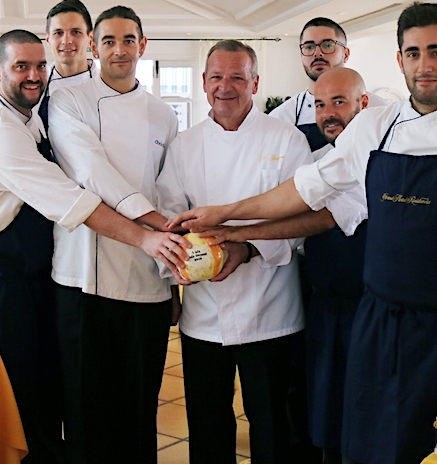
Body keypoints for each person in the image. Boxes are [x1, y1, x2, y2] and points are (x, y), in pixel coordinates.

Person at [168, 4, 437, 463]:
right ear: (400, 60)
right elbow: (305, 189)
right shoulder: (375, 128)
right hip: (382, 326)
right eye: (413, 53)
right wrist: (228, 214)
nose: (424, 65)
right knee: (375, 447)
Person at [0, 29, 189, 464]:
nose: (34, 75)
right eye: (21, 67)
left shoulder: (30, 118)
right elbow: (75, 201)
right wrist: (148, 237)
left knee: (41, 403)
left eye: (39, 66)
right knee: (13, 409)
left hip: (27, 279)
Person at [196, 67, 371, 464]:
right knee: (321, 416)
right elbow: (291, 202)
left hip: (370, 309)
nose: (328, 114)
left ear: (363, 103)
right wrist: (235, 232)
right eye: (320, 105)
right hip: (324, 307)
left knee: (364, 417)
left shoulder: (379, 155)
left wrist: (235, 229)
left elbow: (321, 218)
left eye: (339, 102)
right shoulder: (320, 160)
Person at [155, 40, 312, 464]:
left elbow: (303, 218)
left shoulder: (287, 139)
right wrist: (180, 263)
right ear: (204, 81)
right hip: (204, 313)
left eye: (237, 77)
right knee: (208, 427)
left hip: (272, 310)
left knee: (273, 429)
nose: (225, 87)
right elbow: (169, 215)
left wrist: (248, 248)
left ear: (255, 83)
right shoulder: (185, 145)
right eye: (217, 77)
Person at [46, 6, 181, 462]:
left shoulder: (163, 115)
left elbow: (169, 190)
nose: (119, 50)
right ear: (94, 46)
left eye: (128, 41)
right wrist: (152, 223)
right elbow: (90, 170)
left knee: (139, 408)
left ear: (143, 45)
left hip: (145, 276)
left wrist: (171, 269)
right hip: (80, 278)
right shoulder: (69, 101)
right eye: (108, 41)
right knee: (84, 412)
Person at [270, 17, 386, 151]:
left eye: (328, 45)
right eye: (309, 47)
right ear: (301, 55)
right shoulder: (280, 118)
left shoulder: (381, 111)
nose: (317, 53)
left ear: (346, 54)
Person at [37, 0, 97, 130]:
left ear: (90, 38)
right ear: (48, 39)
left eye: (76, 32)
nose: (66, 41)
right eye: (58, 33)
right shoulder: (36, 87)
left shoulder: (107, 86)